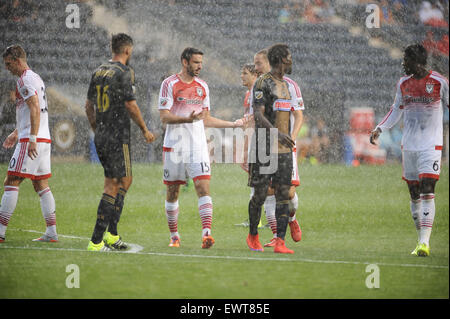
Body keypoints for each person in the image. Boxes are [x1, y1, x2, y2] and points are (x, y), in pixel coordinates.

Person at [158, 47, 244, 249]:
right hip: (175, 146)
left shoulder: (203, 86)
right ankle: (174, 236)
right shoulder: (169, 84)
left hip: (197, 145)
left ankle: (207, 234)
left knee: (203, 188)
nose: (199, 66)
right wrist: (185, 119)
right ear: (184, 62)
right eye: (196, 62)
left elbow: (205, 119)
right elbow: (164, 116)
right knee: (173, 193)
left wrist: (233, 125)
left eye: (201, 63)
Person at [370, 43, 449, 257]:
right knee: (414, 194)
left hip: (431, 145)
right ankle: (419, 241)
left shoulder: (440, 82)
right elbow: (396, 110)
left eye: (407, 60)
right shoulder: (403, 83)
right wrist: (380, 128)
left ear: (418, 62)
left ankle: (425, 242)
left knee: (427, 189)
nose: (403, 63)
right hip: (409, 146)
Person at [85, 33, 155, 251]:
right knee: (113, 184)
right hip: (117, 135)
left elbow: (88, 106)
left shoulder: (98, 71)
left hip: (103, 134)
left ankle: (112, 235)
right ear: (127, 50)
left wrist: (98, 129)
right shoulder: (124, 72)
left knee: (125, 180)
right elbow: (131, 105)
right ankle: (96, 241)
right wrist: (145, 129)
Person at [247, 43, 303, 254]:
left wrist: (288, 137)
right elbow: (258, 115)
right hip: (264, 146)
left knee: (283, 195)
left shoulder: (289, 86)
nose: (291, 61)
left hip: (284, 150)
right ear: (281, 60)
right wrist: (276, 133)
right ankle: (253, 235)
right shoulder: (262, 83)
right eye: (288, 57)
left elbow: (295, 115)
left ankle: (280, 241)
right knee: (260, 195)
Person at [0, 45, 57, 243]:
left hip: (32, 140)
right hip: (43, 138)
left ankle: (0, 232)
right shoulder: (36, 77)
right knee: (41, 184)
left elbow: (33, 107)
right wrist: (16, 133)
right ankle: (51, 232)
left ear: (17, 60)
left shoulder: (24, 79)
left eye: (8, 64)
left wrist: (30, 139)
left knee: (11, 181)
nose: (7, 68)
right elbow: (35, 110)